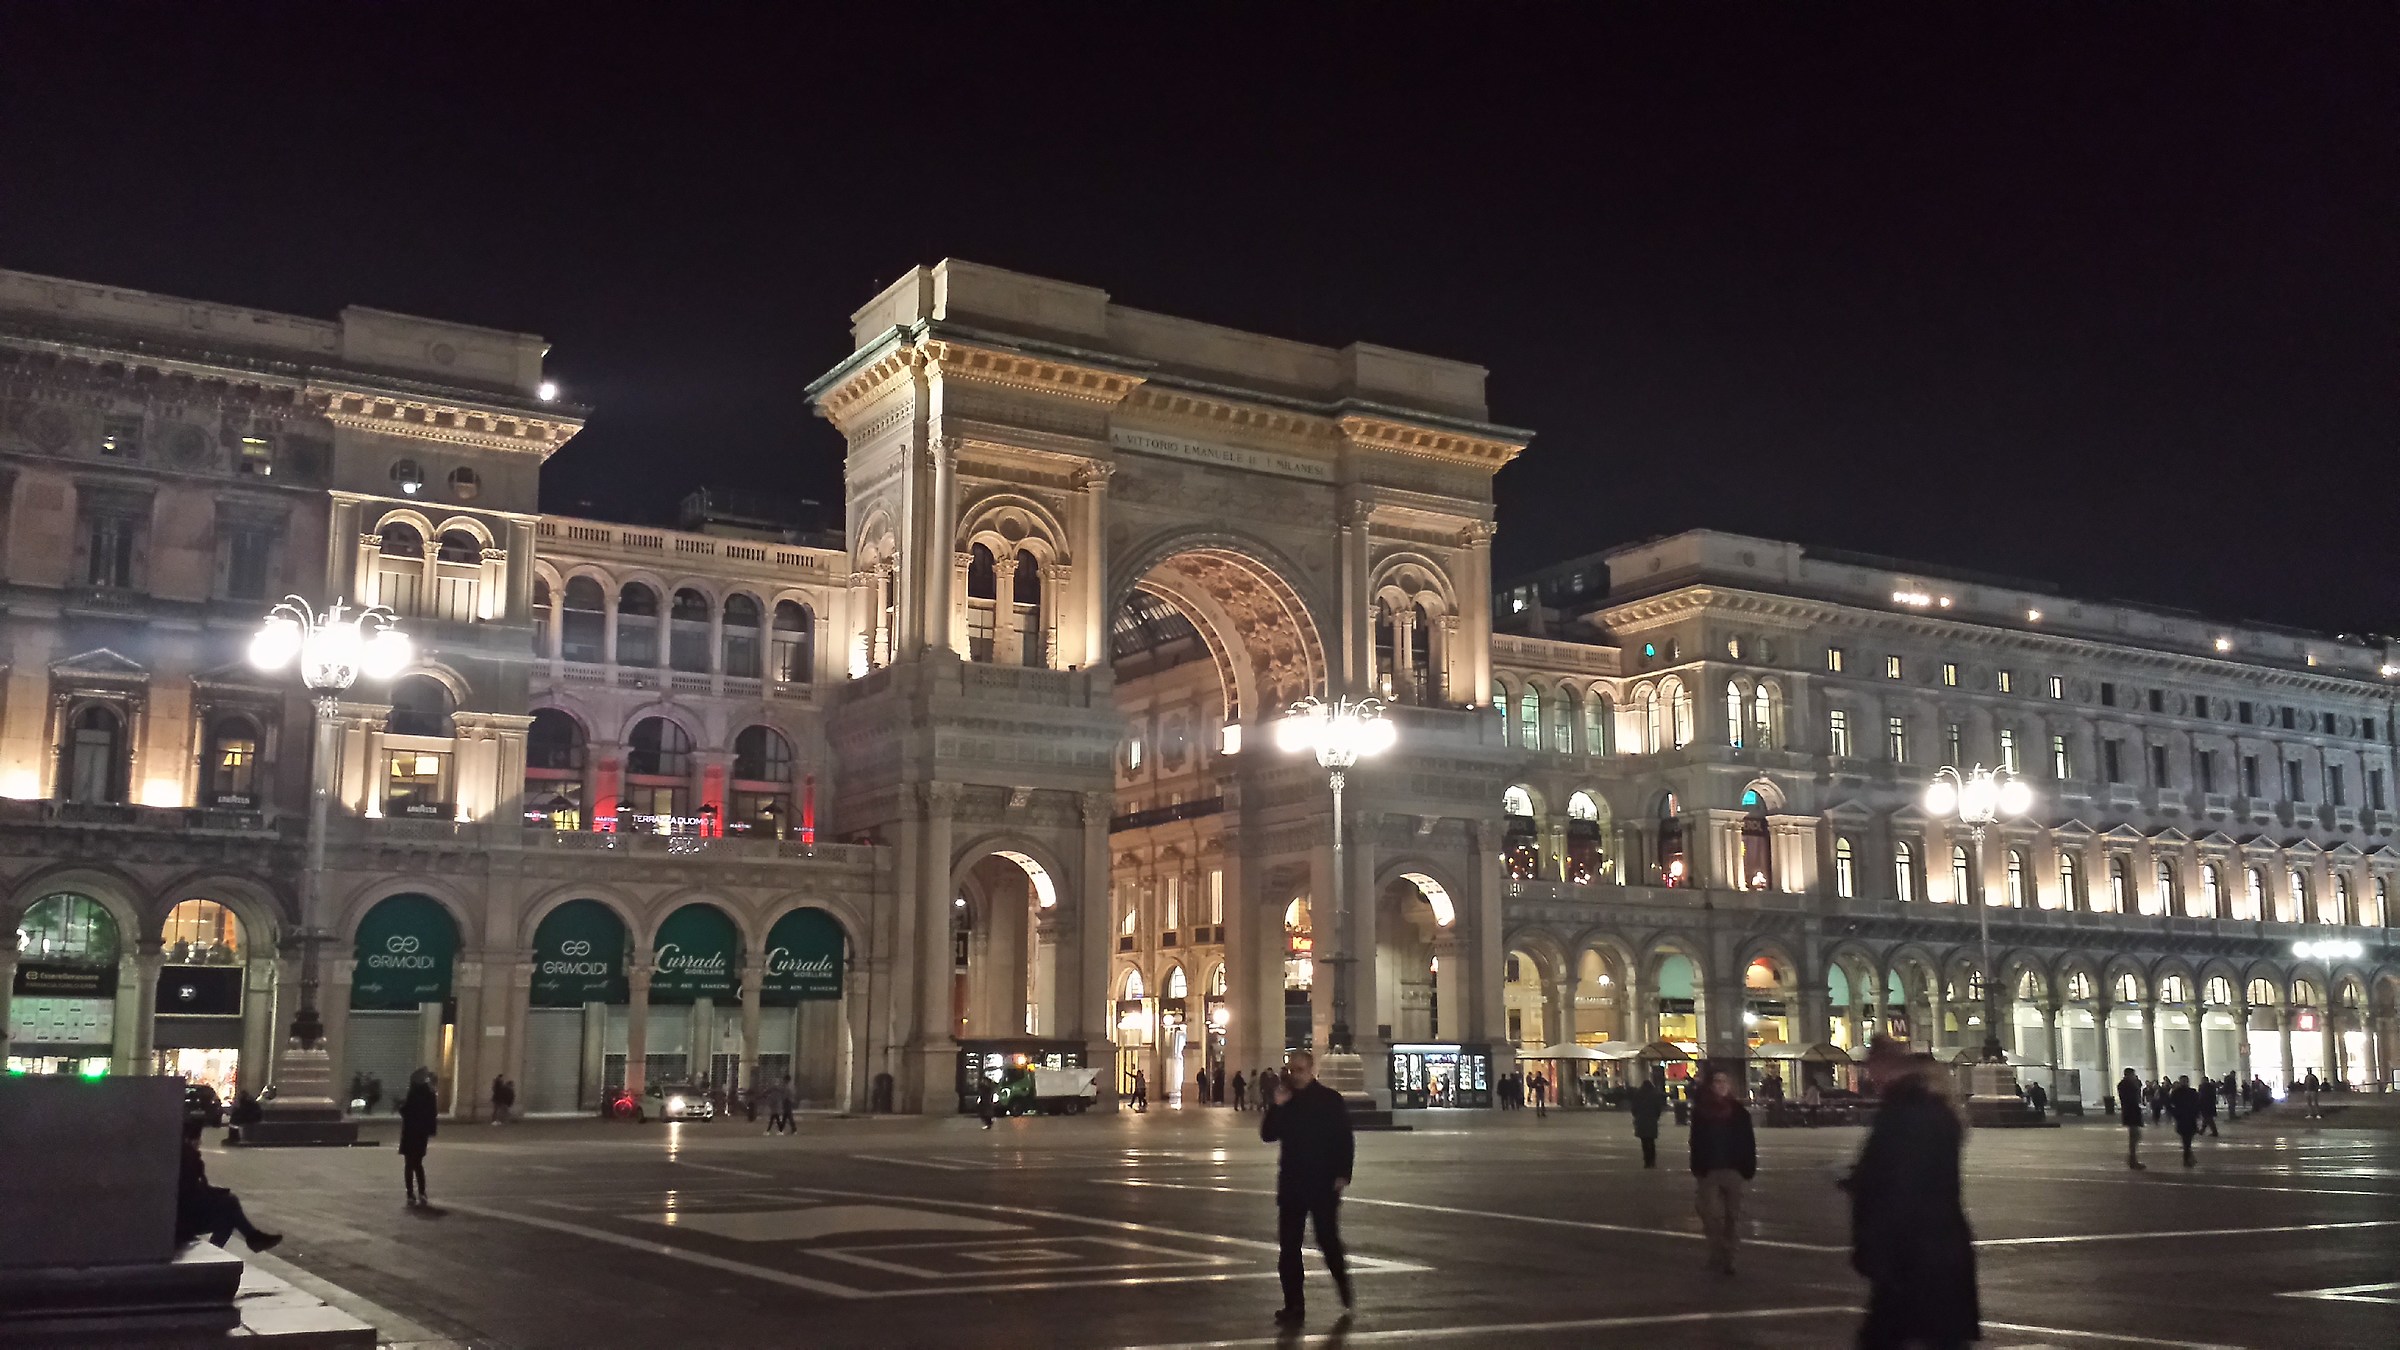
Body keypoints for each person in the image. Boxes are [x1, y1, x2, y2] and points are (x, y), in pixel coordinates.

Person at [1845, 1038, 1979, 1350]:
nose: (1869, 1077)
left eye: (1872, 1067)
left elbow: (1902, 1185)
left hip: (1912, 1256)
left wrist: (1877, 1246)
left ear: (1885, 1066)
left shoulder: (1906, 1113)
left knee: (1888, 1338)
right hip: (1941, 1249)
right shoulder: (1935, 1111)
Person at [1260, 1051, 1354, 1328]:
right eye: (1291, 1070)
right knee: (1289, 1247)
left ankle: (1342, 1282)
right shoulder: (1285, 1100)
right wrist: (1276, 1106)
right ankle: (1294, 1305)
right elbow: (1268, 1135)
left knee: (1328, 1240)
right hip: (1292, 1183)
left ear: (1312, 1069)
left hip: (1324, 1184)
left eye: (1300, 1070)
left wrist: (1342, 1174)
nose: (1295, 1075)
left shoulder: (1329, 1099)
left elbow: (1344, 1139)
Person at [1688, 1070, 1755, 1276]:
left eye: (1725, 1081)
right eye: (1717, 1081)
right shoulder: (1701, 1113)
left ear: (1730, 1085)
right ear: (1711, 1085)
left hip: (1733, 1170)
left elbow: (1749, 1142)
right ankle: (1718, 1251)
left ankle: (1729, 1258)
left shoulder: (1740, 1113)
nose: (1721, 1085)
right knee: (1709, 1215)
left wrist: (1748, 1167)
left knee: (1733, 1217)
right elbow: (1695, 1141)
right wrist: (1698, 1166)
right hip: (1708, 1171)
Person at [176, 1119, 281, 1251]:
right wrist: (218, 1196)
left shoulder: (185, 1155)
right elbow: (191, 1191)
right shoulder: (188, 1158)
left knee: (228, 1216)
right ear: (190, 1139)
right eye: (198, 1138)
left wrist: (218, 1194)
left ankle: (247, 1240)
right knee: (230, 1204)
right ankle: (251, 1238)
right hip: (184, 1218)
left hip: (183, 1213)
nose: (200, 1142)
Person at [399, 1073, 439, 1205]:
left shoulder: (413, 1094)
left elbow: (405, 1111)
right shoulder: (430, 1095)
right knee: (418, 1164)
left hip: (410, 1133)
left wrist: (401, 1108)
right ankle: (422, 1192)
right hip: (421, 1134)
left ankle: (410, 1193)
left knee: (409, 1165)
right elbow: (433, 1114)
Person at [1628, 1075, 1666, 1168]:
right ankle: (1652, 1160)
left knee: (1644, 1142)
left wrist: (1637, 1116)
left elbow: (1634, 1108)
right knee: (1651, 1142)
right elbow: (1658, 1108)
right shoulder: (1654, 1095)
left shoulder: (1638, 1095)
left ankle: (1647, 1161)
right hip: (1651, 1121)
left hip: (1641, 1121)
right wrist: (1656, 1117)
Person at [2168, 1075, 2202, 1167]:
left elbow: (2197, 1104)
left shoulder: (2180, 1092)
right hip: (2184, 1118)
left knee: (2187, 1140)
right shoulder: (2189, 1092)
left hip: (2187, 1118)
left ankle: (2188, 1156)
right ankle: (2187, 1157)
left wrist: (2174, 1113)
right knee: (2187, 1140)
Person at [2117, 1067, 2146, 1170]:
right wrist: (2137, 1086)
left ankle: (2132, 1158)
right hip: (2131, 1112)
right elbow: (2134, 1098)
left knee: (2135, 1136)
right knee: (2134, 1137)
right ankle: (2132, 1159)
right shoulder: (2126, 1085)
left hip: (2130, 1112)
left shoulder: (2123, 1084)